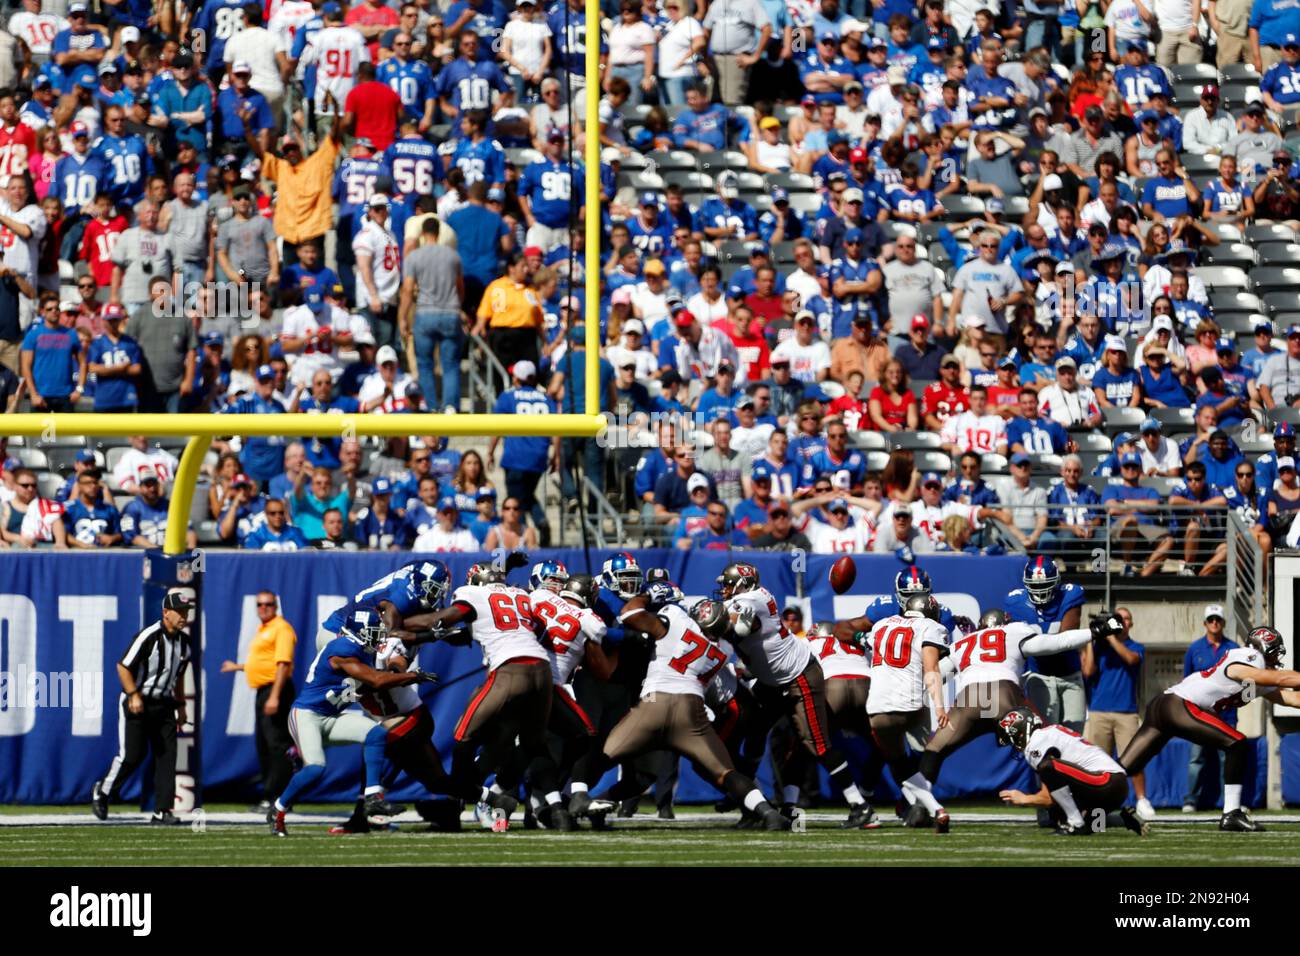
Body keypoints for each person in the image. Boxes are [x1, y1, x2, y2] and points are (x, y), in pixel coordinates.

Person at [1123, 624, 1300, 832]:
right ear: (1262, 649)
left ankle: (1089, 806)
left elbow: (1292, 698)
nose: (1276, 660)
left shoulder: (1258, 678)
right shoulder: (1248, 656)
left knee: (1126, 766)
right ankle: (1231, 814)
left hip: (1162, 706)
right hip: (1180, 705)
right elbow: (1280, 678)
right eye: (1273, 653)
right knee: (1237, 744)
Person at [268, 608, 424, 836]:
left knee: (376, 734)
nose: (379, 635)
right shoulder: (343, 649)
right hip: (307, 715)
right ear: (361, 632)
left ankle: (373, 797)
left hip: (330, 716)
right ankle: (277, 809)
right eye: (375, 631)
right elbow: (377, 680)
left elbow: (370, 682)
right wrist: (412, 676)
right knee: (315, 769)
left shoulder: (360, 649)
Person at [91, 589, 195, 826]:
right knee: (133, 755)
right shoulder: (149, 636)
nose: (183, 616)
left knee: (168, 757)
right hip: (138, 702)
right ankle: (103, 791)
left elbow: (178, 677)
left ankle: (162, 811)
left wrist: (181, 706)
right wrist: (133, 694)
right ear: (166, 612)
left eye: (186, 611)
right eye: (178, 611)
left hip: (164, 704)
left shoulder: (185, 644)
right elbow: (123, 666)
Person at [996, 708, 1149, 837]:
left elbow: (1048, 797)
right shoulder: (1048, 733)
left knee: (1048, 768)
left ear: (1024, 731)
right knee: (1072, 820)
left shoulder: (1036, 742)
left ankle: (1076, 823)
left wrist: (1025, 799)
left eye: (1014, 738)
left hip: (1106, 781)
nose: (1015, 745)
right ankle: (1124, 819)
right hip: (1113, 786)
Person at [220, 591, 297, 807]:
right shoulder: (264, 628)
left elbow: (282, 664)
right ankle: (270, 795)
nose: (263, 608)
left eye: (268, 604)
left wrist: (274, 696)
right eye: (259, 605)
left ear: (276, 606)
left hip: (276, 689)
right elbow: (265, 662)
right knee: (264, 745)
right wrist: (238, 667)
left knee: (277, 745)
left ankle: (280, 797)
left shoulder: (281, 628)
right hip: (264, 690)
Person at [400, 221, 464, 413]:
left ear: (422, 233)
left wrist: (403, 317)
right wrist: (457, 307)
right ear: (438, 233)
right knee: (450, 364)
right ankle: (451, 405)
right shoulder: (453, 256)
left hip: (425, 313)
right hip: (450, 312)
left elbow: (408, 290)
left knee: (425, 364)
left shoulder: (414, 257)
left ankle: (431, 406)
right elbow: (460, 287)